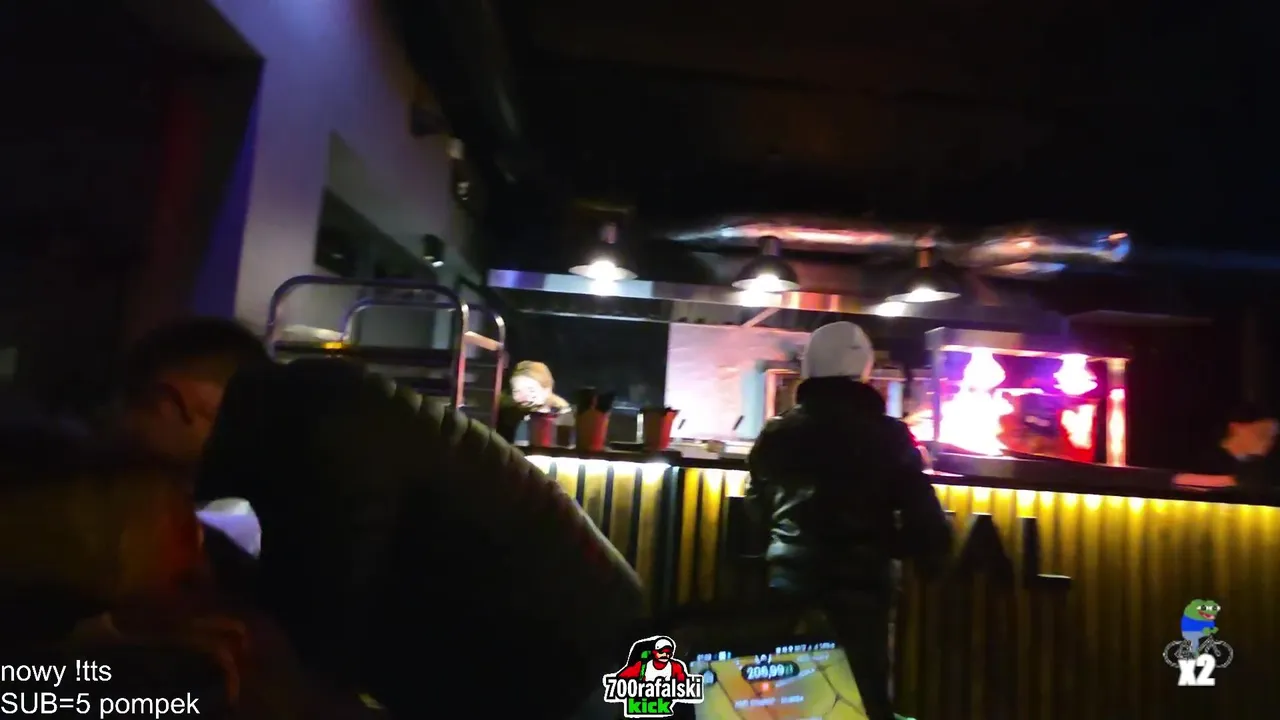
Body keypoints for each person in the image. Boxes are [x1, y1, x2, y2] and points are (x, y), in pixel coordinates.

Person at [116, 316, 646, 717]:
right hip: (573, 648)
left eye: (131, 424)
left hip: (579, 667)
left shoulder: (319, 427)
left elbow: (321, 638)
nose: (130, 452)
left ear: (174, 402)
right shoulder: (304, 414)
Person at [746, 321, 952, 720]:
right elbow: (924, 517)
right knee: (864, 697)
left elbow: (757, 507)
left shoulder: (777, 432)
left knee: (784, 700)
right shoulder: (890, 436)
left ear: (810, 368)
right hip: (863, 588)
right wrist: (911, 551)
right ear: (864, 370)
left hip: (789, 583)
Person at [1175, 403, 1278, 492]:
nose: (1269, 440)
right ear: (1236, 428)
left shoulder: (1263, 469)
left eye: (1273, 435)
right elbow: (1180, 481)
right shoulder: (1205, 460)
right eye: (1262, 432)